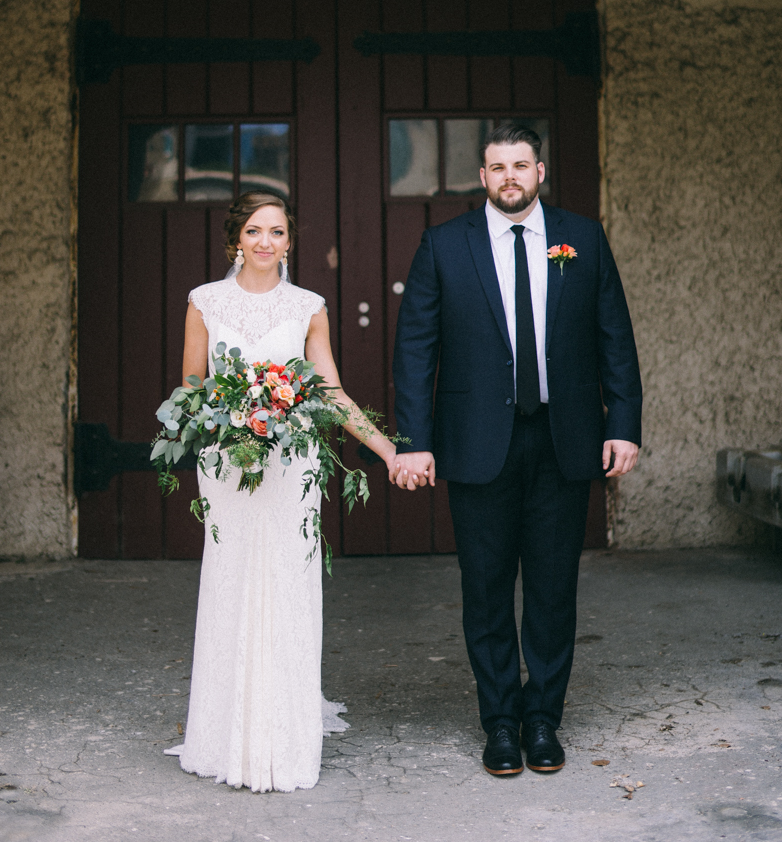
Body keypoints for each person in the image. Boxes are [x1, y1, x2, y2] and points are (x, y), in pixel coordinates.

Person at [391, 124, 642, 778]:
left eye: (520, 165)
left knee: (555, 590)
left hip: (565, 440)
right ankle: (500, 722)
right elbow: (416, 352)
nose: (509, 176)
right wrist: (414, 442)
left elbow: (615, 336)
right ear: (481, 177)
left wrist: (625, 424)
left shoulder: (581, 239)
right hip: (478, 446)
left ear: (540, 171)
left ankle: (542, 719)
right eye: (497, 166)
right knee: (486, 589)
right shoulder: (445, 246)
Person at [171, 192, 399, 793]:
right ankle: (226, 735)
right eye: (254, 231)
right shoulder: (204, 302)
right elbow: (191, 388)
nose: (266, 241)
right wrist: (228, 412)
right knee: (231, 580)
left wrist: (386, 448)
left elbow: (331, 391)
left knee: (287, 583)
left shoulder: (309, 307)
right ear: (235, 241)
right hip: (227, 463)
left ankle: (283, 737)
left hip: (291, 464)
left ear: (290, 242)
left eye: (277, 231)